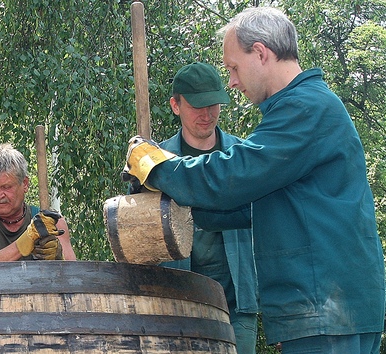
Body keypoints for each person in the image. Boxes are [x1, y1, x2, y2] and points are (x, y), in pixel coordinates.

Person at [124, 7, 385, 353]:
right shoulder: (304, 108)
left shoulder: (305, 109)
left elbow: (234, 176)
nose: (232, 81)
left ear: (261, 53)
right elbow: (252, 206)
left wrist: (156, 167)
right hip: (327, 308)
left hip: (326, 307)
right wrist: (173, 214)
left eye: (233, 67)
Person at [155, 62, 258, 354]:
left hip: (237, 305)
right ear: (175, 105)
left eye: (214, 104)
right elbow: (136, 241)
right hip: (176, 306)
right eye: (197, 105)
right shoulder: (153, 166)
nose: (207, 114)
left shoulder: (243, 158)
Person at [0, 143, 76, 262]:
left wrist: (58, 257)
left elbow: (73, 273)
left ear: (25, 184)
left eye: (6, 187)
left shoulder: (51, 221)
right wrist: (28, 239)